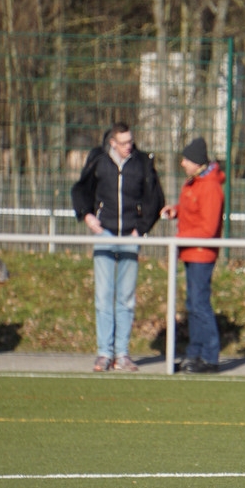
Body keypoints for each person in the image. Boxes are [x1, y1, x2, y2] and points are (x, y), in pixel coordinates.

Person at [71, 122, 165, 373]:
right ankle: (104, 352)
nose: (129, 146)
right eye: (123, 143)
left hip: (130, 236)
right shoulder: (98, 160)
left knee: (125, 298)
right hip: (105, 233)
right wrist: (87, 216)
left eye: (131, 141)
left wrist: (141, 228)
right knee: (104, 296)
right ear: (112, 142)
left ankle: (122, 354)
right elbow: (81, 189)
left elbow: (154, 197)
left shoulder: (142, 163)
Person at [160, 138, 225, 373]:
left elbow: (208, 228)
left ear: (196, 162)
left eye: (186, 159)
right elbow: (193, 212)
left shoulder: (209, 186)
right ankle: (194, 354)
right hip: (190, 252)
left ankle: (209, 356)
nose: (182, 163)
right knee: (193, 304)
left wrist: (181, 237)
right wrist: (176, 211)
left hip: (201, 254)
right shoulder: (196, 183)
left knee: (199, 304)